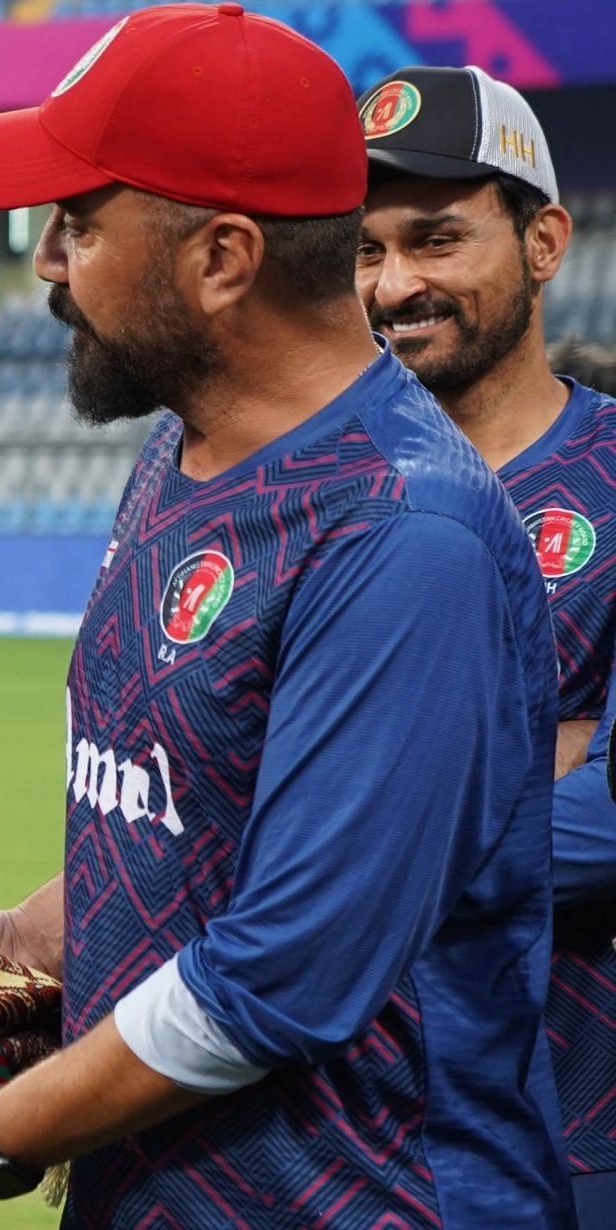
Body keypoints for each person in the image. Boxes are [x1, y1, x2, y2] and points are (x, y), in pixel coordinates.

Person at [0, 7, 571, 1228]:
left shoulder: (403, 535)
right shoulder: (179, 448)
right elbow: (182, 812)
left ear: (220, 260)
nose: (46, 259)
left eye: (80, 223)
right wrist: (23, 935)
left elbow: (279, 976)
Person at [357, 65, 616, 1225]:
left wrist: (332, 839)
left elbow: (607, 824)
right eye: (364, 252)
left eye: (435, 239)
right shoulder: (323, 493)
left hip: (565, 1133)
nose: (393, 284)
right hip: (329, 1140)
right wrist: (533, 756)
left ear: (544, 239)